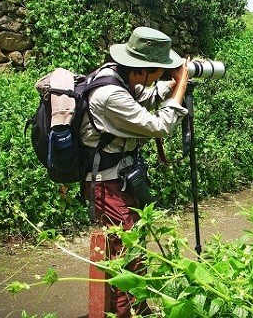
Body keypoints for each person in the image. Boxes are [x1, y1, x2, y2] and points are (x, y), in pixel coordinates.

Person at [79, 26, 188, 317]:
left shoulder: (119, 75)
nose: (162, 76)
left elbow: (147, 95)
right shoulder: (110, 94)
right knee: (127, 253)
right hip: (106, 183)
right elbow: (160, 126)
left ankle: (135, 308)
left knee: (130, 247)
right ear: (144, 69)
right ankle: (127, 313)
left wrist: (173, 83)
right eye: (160, 71)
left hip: (120, 179)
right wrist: (181, 86)